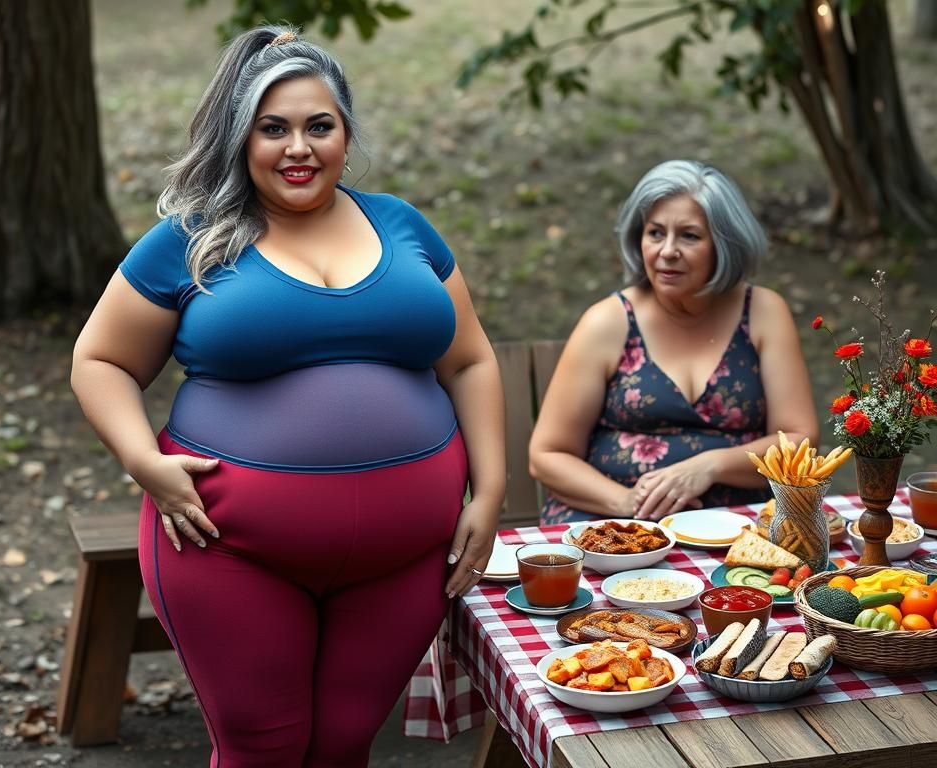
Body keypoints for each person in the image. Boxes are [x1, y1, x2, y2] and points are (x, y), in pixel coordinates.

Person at [70, 26, 504, 768]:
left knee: (342, 745)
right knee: (262, 749)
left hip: (406, 557)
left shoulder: (402, 228)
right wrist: (144, 461)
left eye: (318, 126)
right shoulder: (193, 239)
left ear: (345, 134)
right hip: (228, 549)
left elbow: (469, 361)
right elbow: (100, 359)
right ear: (241, 138)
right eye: (273, 129)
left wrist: (490, 491)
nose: (297, 147)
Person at [529, 159, 818, 525]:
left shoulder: (762, 312)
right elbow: (547, 454)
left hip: (735, 524)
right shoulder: (608, 322)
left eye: (690, 236)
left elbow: (799, 439)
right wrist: (627, 502)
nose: (667, 251)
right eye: (655, 233)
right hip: (613, 525)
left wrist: (709, 467)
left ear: (725, 245)